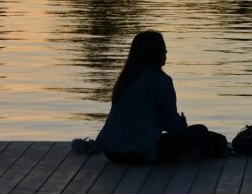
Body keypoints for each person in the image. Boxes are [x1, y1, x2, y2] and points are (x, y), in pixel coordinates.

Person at [94, 31, 219, 163]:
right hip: (137, 153)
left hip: (111, 152)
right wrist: (182, 123)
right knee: (202, 132)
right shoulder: (161, 81)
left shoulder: (126, 79)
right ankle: (193, 155)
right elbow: (172, 125)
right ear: (155, 53)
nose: (166, 51)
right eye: (163, 48)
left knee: (209, 137)